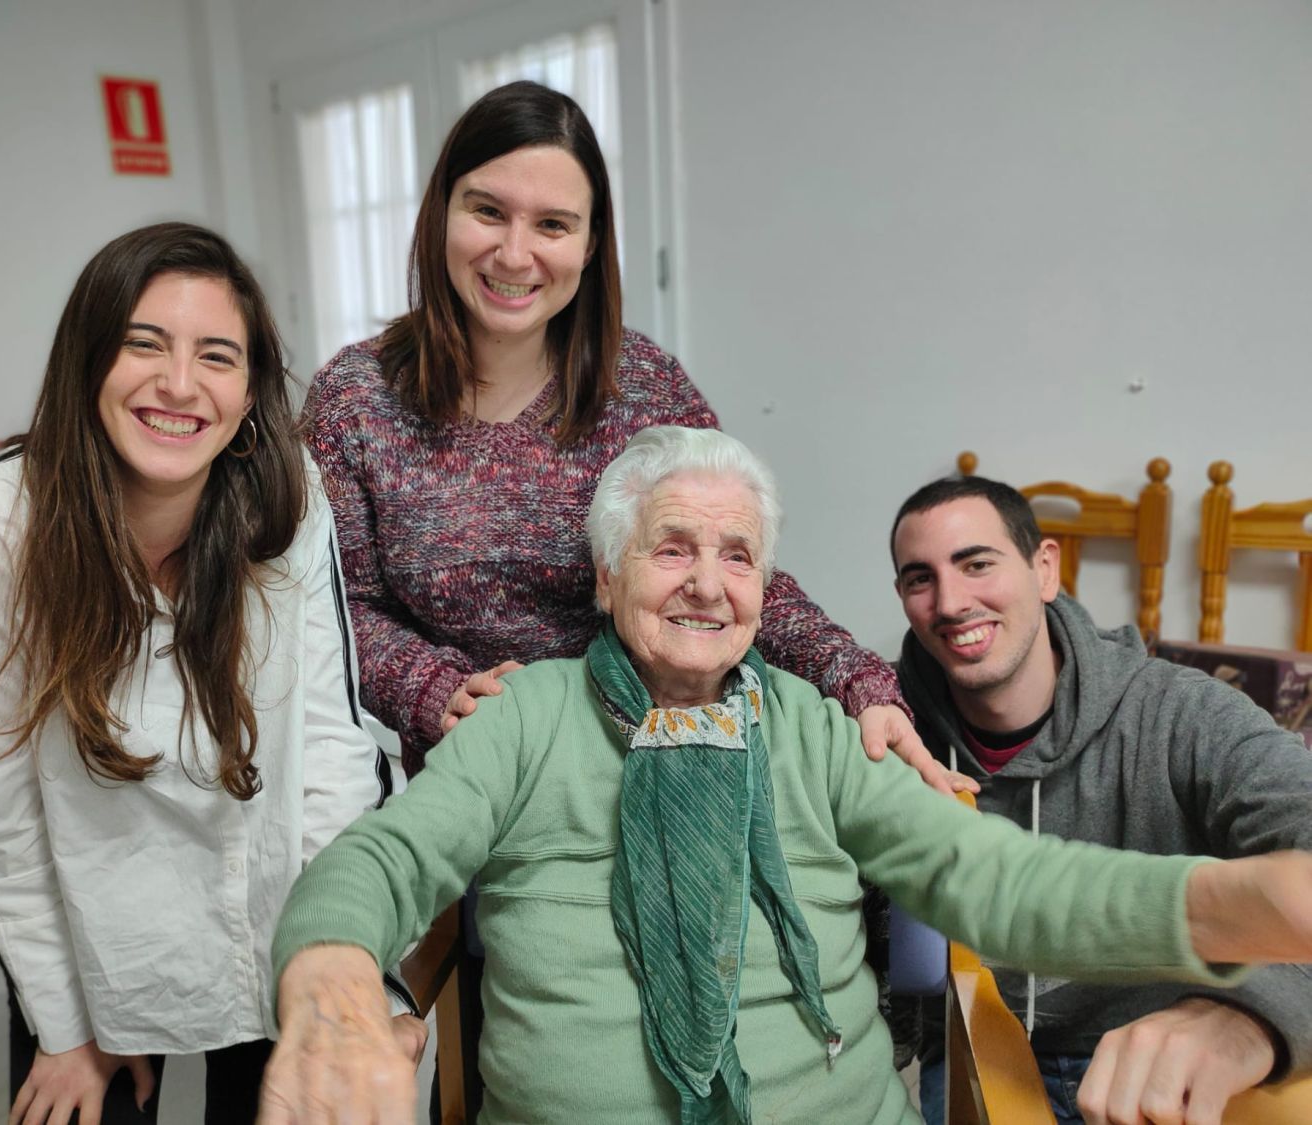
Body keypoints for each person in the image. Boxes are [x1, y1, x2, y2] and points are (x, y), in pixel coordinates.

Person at [259, 426, 1312, 1125]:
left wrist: (1223, 901)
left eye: (739, 556)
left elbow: (996, 878)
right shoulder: (524, 716)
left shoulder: (814, 728)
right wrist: (332, 973)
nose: (710, 587)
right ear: (607, 573)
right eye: (673, 549)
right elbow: (385, 857)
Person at [302, 80, 955, 792]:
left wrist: (859, 680)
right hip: (477, 778)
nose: (515, 255)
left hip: (655, 761)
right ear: (441, 214)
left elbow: (737, 571)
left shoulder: (644, 387)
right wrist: (435, 687)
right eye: (488, 211)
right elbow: (338, 607)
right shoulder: (354, 400)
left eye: (553, 225)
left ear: (589, 246)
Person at [0, 223, 402, 1125]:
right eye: (144, 344)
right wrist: (65, 1018)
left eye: (218, 355)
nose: (180, 385)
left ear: (250, 393)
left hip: (273, 904)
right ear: (87, 360)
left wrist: (353, 969)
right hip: (85, 917)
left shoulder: (288, 498)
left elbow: (333, 746)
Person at [889, 474, 1312, 1125]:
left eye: (977, 563)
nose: (951, 601)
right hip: (975, 1048)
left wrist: (1249, 1018)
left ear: (1045, 568)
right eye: (920, 578)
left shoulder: (1186, 714)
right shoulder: (889, 727)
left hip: (1153, 1066)